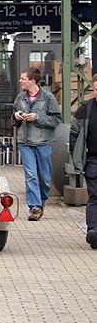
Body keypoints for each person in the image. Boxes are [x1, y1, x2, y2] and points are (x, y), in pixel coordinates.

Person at [13, 66, 61, 221]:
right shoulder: (20, 98)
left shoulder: (48, 98)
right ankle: (34, 207)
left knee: (44, 178)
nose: (20, 81)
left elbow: (56, 120)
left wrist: (37, 117)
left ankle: (41, 202)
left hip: (43, 143)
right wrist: (16, 116)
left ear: (32, 81)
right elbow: (13, 118)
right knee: (31, 175)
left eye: (23, 78)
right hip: (25, 143)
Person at [70, 73, 97, 248]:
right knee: (95, 195)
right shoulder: (85, 108)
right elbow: (74, 133)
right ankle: (93, 230)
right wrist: (77, 157)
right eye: (95, 89)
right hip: (93, 160)